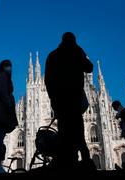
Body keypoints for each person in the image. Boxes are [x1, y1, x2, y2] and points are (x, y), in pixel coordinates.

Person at [45, 32, 94, 168]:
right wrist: (80, 52)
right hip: (74, 99)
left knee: (64, 131)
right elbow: (89, 67)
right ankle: (85, 160)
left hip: (60, 101)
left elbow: (47, 80)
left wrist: (52, 99)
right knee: (78, 131)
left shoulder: (53, 55)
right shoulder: (76, 52)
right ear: (73, 41)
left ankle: (66, 161)